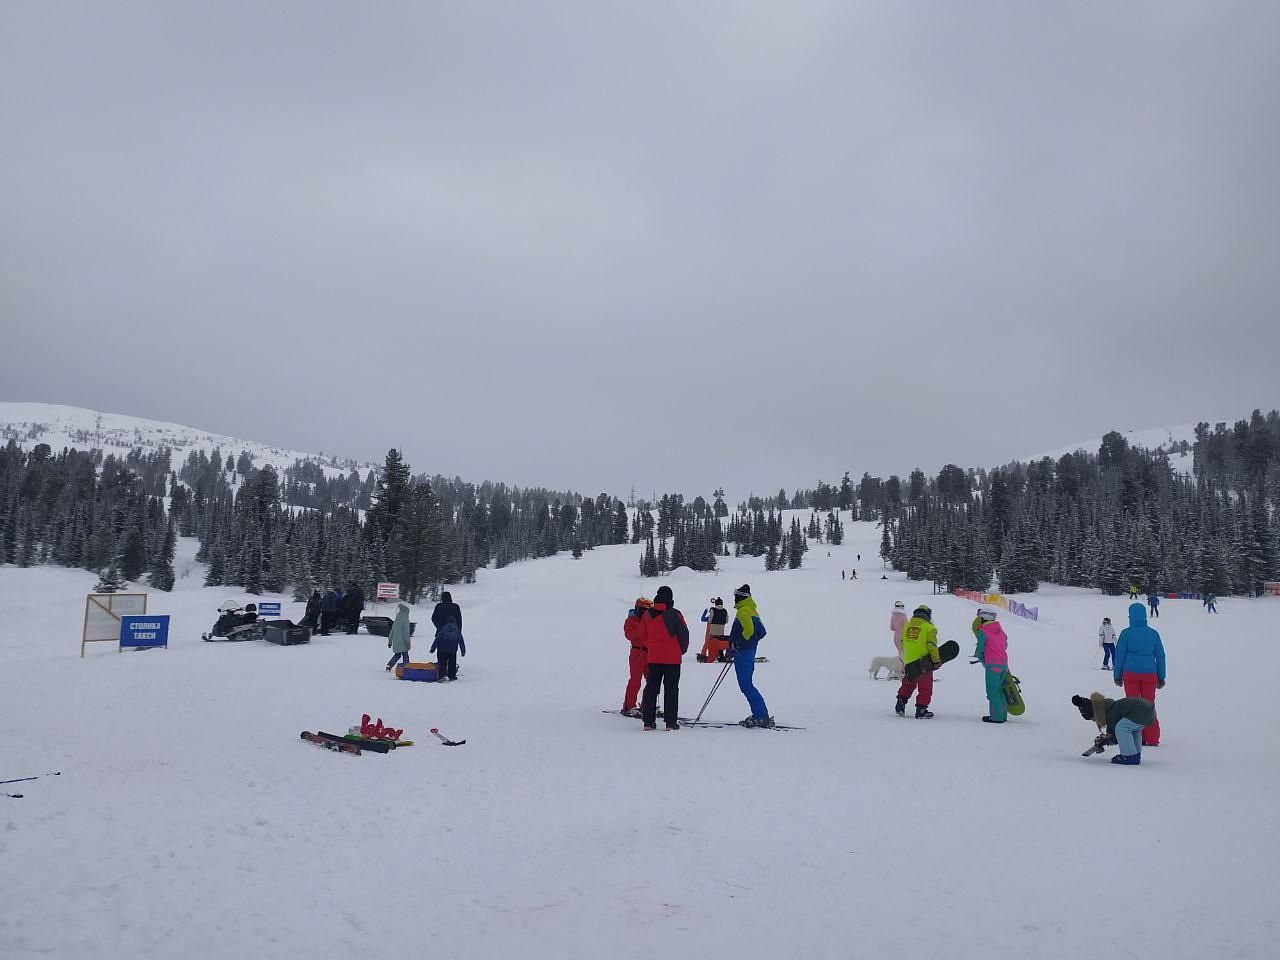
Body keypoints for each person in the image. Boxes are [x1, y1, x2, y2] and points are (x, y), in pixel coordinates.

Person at [1114, 602, 1166, 747]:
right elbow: (1160, 656)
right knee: (1149, 705)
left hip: (1130, 674)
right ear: (1144, 617)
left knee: (1133, 706)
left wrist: (1117, 675)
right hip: (1150, 673)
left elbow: (1119, 656)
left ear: (1130, 617)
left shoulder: (1126, 633)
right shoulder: (1153, 634)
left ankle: (1138, 737)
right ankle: (1153, 738)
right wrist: (1161, 676)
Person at [639, 585, 689, 731]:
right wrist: (681, 651)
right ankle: (670, 723)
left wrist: (652, 647)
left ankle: (648, 722)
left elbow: (641, 635)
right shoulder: (675, 614)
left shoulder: (648, 614)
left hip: (653, 658)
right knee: (671, 690)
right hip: (673, 659)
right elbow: (684, 634)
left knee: (651, 689)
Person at [728, 584, 772, 728]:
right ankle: (760, 714)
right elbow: (761, 632)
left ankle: (760, 716)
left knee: (746, 685)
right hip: (748, 652)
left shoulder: (744, 611)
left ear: (740, 597)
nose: (734, 599)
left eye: (736, 596)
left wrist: (738, 644)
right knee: (747, 685)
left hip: (743, 653)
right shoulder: (751, 610)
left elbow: (749, 630)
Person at [1072, 692, 1156, 766]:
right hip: (1148, 711)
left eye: (1093, 718)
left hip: (1141, 711)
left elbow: (1115, 735)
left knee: (1121, 728)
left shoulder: (1111, 713)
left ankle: (1129, 756)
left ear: (1096, 713)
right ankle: (1136, 754)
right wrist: (1107, 738)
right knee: (1133, 731)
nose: (1094, 721)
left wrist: (1105, 740)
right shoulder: (1110, 706)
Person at [895, 605, 940, 718]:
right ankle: (921, 709)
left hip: (909, 661)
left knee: (908, 683)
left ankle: (900, 702)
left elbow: (903, 642)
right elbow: (932, 646)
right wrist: (936, 660)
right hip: (924, 662)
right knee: (925, 686)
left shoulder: (907, 626)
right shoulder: (929, 628)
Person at [971, 608, 1008, 723]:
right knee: (1000, 690)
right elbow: (1005, 645)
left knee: (992, 691)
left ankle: (996, 717)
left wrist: (982, 659)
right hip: (1004, 664)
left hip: (992, 665)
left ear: (983, 618)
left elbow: (979, 650)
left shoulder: (983, 632)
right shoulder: (1001, 631)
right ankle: (1003, 715)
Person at [621, 597, 651, 716]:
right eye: (644, 610)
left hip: (649, 652)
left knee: (651, 680)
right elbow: (629, 635)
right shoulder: (631, 620)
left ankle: (647, 704)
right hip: (637, 652)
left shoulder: (649, 620)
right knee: (635, 680)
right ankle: (629, 705)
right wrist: (640, 627)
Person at [697, 598, 729, 663]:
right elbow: (726, 621)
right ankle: (721, 655)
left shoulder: (713, 610)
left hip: (713, 632)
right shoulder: (725, 611)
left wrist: (706, 612)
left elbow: (708, 620)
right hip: (721, 632)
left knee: (709, 643)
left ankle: (707, 655)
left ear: (716, 604)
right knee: (720, 642)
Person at [385, 602, 412, 672]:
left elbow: (392, 631)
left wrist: (390, 641)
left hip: (396, 642)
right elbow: (406, 633)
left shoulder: (397, 619)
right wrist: (408, 643)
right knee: (405, 655)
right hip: (403, 642)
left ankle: (389, 665)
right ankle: (407, 668)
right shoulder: (405, 620)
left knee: (397, 655)